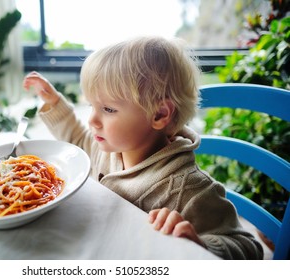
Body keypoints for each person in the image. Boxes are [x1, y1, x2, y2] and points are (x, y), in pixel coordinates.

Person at [23, 36, 263, 260]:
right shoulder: (109, 148)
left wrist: (201, 244)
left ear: (159, 114)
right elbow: (78, 140)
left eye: (108, 109)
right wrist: (54, 103)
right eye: (91, 105)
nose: (92, 120)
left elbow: (249, 248)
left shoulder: (190, 189)